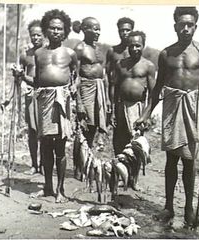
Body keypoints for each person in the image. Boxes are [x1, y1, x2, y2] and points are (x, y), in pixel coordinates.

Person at [135, 7, 199, 227]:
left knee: (189, 160)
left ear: (195, 27)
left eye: (190, 25)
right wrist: (145, 114)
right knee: (171, 158)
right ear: (175, 26)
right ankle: (169, 207)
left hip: (191, 107)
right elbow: (158, 88)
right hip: (171, 104)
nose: (186, 28)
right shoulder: (166, 54)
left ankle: (189, 209)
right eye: (182, 24)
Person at [16, 9, 78, 203]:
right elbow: (36, 80)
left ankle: (60, 190)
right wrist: (21, 76)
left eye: (60, 29)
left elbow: (77, 77)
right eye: (52, 28)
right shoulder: (39, 54)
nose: (56, 32)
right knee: (45, 145)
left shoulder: (70, 53)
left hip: (62, 100)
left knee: (60, 146)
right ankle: (48, 187)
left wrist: (74, 87)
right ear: (46, 29)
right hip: (43, 99)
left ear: (65, 31)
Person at [113, 31, 156, 190]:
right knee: (119, 142)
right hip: (121, 106)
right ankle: (120, 174)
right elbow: (115, 88)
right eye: (131, 45)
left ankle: (133, 180)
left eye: (138, 45)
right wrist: (112, 110)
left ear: (143, 45)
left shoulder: (148, 66)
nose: (134, 48)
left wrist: (146, 115)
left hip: (138, 108)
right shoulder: (120, 64)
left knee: (136, 145)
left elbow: (153, 94)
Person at [73, 17, 110, 149]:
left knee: (94, 127)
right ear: (85, 29)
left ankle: (86, 163)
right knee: (85, 128)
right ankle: (79, 167)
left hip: (98, 90)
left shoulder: (98, 48)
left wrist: (106, 98)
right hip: (86, 89)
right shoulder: (79, 48)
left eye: (99, 29)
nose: (98, 32)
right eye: (95, 29)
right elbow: (75, 77)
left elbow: (104, 75)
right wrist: (79, 103)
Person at [18, 20, 44, 175]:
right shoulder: (26, 55)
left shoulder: (48, 53)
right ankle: (34, 164)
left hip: (46, 93)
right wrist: (17, 74)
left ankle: (44, 164)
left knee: (46, 132)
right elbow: (19, 76)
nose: (35, 38)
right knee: (33, 130)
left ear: (44, 36)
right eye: (33, 35)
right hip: (31, 94)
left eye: (38, 35)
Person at [105, 17, 135, 127]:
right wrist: (108, 99)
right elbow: (108, 77)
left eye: (128, 30)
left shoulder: (136, 51)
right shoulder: (112, 51)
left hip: (131, 96)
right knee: (118, 130)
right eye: (122, 30)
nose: (125, 33)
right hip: (116, 95)